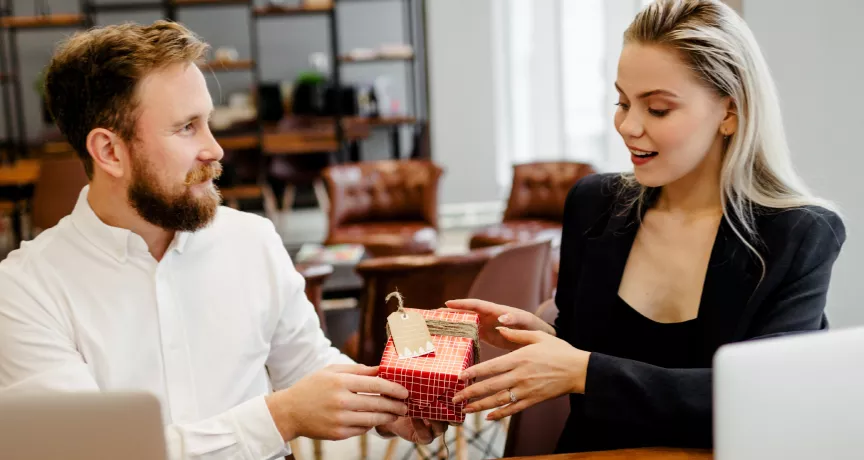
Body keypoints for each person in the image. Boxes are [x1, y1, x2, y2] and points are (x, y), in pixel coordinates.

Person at [0, 21, 446, 460]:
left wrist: (389, 404)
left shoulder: (251, 239)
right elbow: (89, 453)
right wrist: (279, 417)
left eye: (208, 123)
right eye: (186, 127)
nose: (215, 149)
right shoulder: (25, 289)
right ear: (110, 152)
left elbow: (306, 363)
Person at [446, 0, 846, 453]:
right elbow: (586, 351)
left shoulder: (799, 236)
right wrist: (547, 343)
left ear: (729, 113)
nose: (627, 126)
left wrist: (583, 370)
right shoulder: (593, 205)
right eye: (622, 102)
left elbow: (769, 397)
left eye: (657, 109)